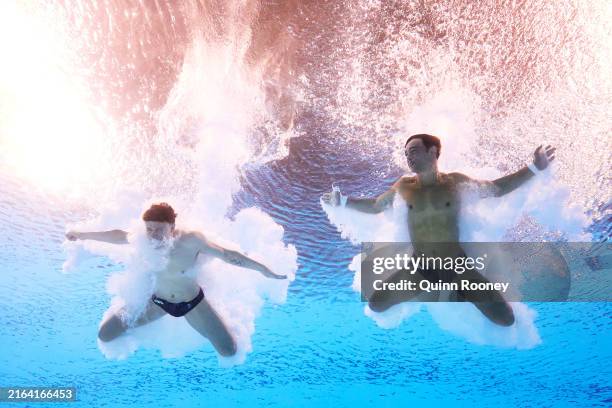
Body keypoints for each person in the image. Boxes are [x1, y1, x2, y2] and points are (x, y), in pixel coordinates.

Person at [323, 134, 556, 326]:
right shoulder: (404, 186)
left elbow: (495, 189)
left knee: (506, 319)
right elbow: (376, 206)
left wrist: (535, 168)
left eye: (414, 151)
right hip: (420, 268)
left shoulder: (454, 183)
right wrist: (343, 201)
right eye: (406, 154)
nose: (408, 157)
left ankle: (460, 291)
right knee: (376, 304)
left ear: (433, 152)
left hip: (456, 266)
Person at [66, 203, 286, 356]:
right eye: (149, 229)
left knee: (228, 351)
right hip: (157, 304)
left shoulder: (190, 241)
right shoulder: (144, 239)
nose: (153, 234)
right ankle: (144, 328)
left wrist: (262, 269)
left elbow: (227, 255)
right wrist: (82, 234)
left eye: (159, 230)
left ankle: (216, 324)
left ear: (172, 227)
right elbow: (115, 235)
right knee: (105, 335)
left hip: (192, 304)